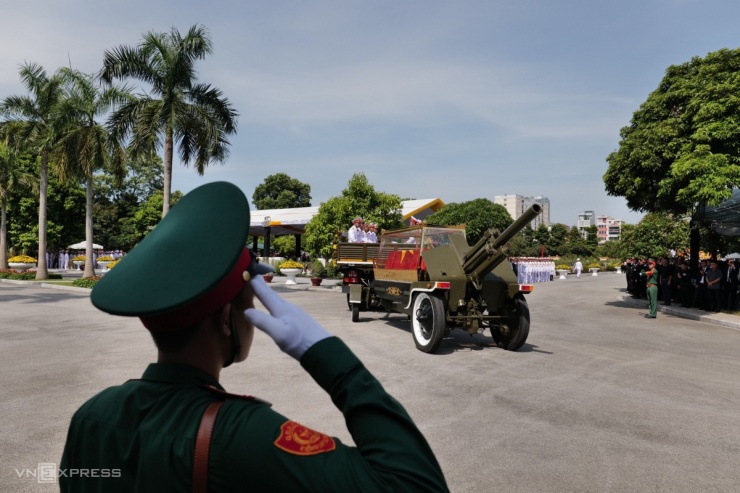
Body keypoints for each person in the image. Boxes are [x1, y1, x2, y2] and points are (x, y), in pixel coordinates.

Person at [60, 182, 448, 492]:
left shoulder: (92, 416)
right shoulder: (244, 434)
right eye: (249, 298)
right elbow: (415, 483)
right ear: (228, 320)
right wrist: (332, 361)